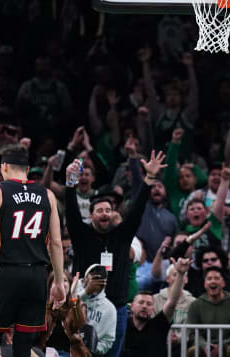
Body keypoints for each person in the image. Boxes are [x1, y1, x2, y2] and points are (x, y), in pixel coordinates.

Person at [64, 150, 167, 357]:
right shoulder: (81, 234)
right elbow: (71, 210)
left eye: (108, 210)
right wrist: (71, 182)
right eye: (100, 210)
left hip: (117, 309)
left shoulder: (121, 236)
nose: (105, 213)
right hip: (84, 306)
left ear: (113, 214)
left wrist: (149, 179)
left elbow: (137, 210)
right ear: (91, 215)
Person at [0, 144, 66, 357]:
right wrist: (58, 281)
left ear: (4, 167)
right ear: (28, 168)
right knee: (23, 349)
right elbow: (56, 243)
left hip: (6, 271)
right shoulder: (47, 195)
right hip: (37, 275)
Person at [123, 257, 190, 357]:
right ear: (131, 306)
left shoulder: (158, 325)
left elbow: (172, 302)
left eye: (149, 304)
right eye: (141, 302)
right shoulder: (123, 327)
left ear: (153, 309)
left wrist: (180, 275)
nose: (145, 306)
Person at [186, 267, 230, 357]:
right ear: (205, 283)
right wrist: (206, 346)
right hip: (204, 347)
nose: (213, 281)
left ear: (223, 283)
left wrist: (221, 346)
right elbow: (193, 333)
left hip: (228, 345)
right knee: (193, 350)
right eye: (209, 279)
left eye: (217, 278)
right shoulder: (195, 305)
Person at [78, 264, 116, 356]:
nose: (95, 285)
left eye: (99, 282)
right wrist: (86, 293)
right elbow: (66, 308)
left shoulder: (109, 308)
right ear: (85, 279)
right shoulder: (73, 292)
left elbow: (108, 340)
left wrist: (92, 348)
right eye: (93, 281)